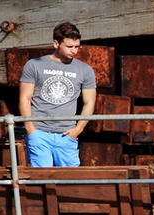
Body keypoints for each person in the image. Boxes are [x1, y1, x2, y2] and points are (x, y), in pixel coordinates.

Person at [19, 21, 97, 167]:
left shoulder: (85, 70)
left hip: (66, 134)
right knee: (40, 180)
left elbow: (89, 102)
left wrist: (77, 130)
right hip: (39, 133)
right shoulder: (34, 65)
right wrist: (31, 130)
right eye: (69, 47)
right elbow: (25, 98)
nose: (74, 51)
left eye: (76, 47)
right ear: (56, 44)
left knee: (70, 181)